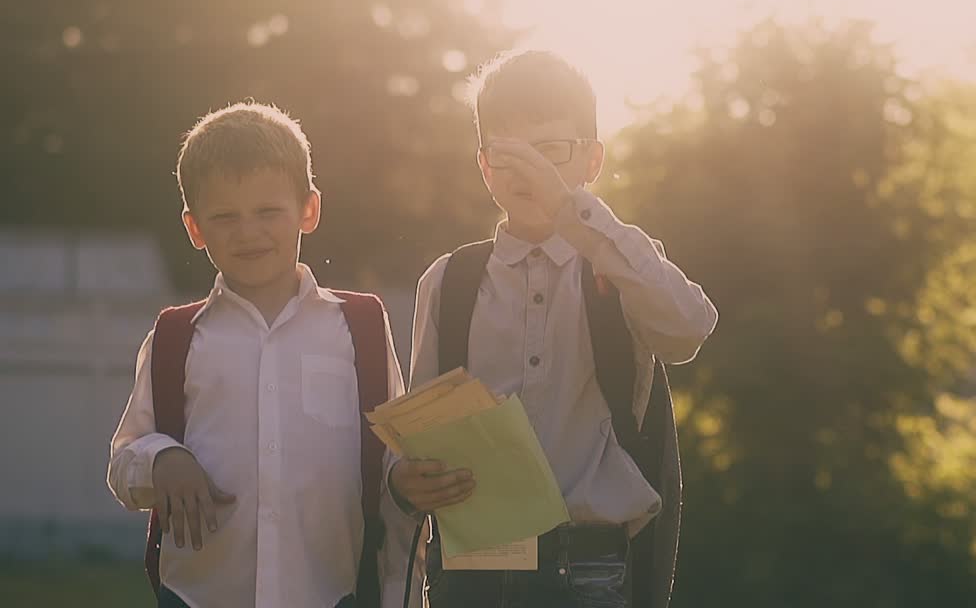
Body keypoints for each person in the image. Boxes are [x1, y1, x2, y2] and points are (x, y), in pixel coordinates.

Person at [403, 50, 718, 608]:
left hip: (590, 569)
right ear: (484, 165)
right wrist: (407, 478)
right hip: (471, 569)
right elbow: (421, 431)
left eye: (551, 152)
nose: (531, 172)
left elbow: (688, 330)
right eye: (510, 154)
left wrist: (578, 214)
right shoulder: (448, 281)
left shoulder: (620, 263)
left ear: (592, 160)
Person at [107, 102, 424, 608]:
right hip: (197, 597)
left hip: (332, 593)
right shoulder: (175, 338)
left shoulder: (361, 327)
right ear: (194, 228)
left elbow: (392, 465)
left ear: (309, 209)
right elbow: (124, 461)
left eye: (267, 212)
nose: (248, 232)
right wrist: (161, 458)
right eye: (225, 217)